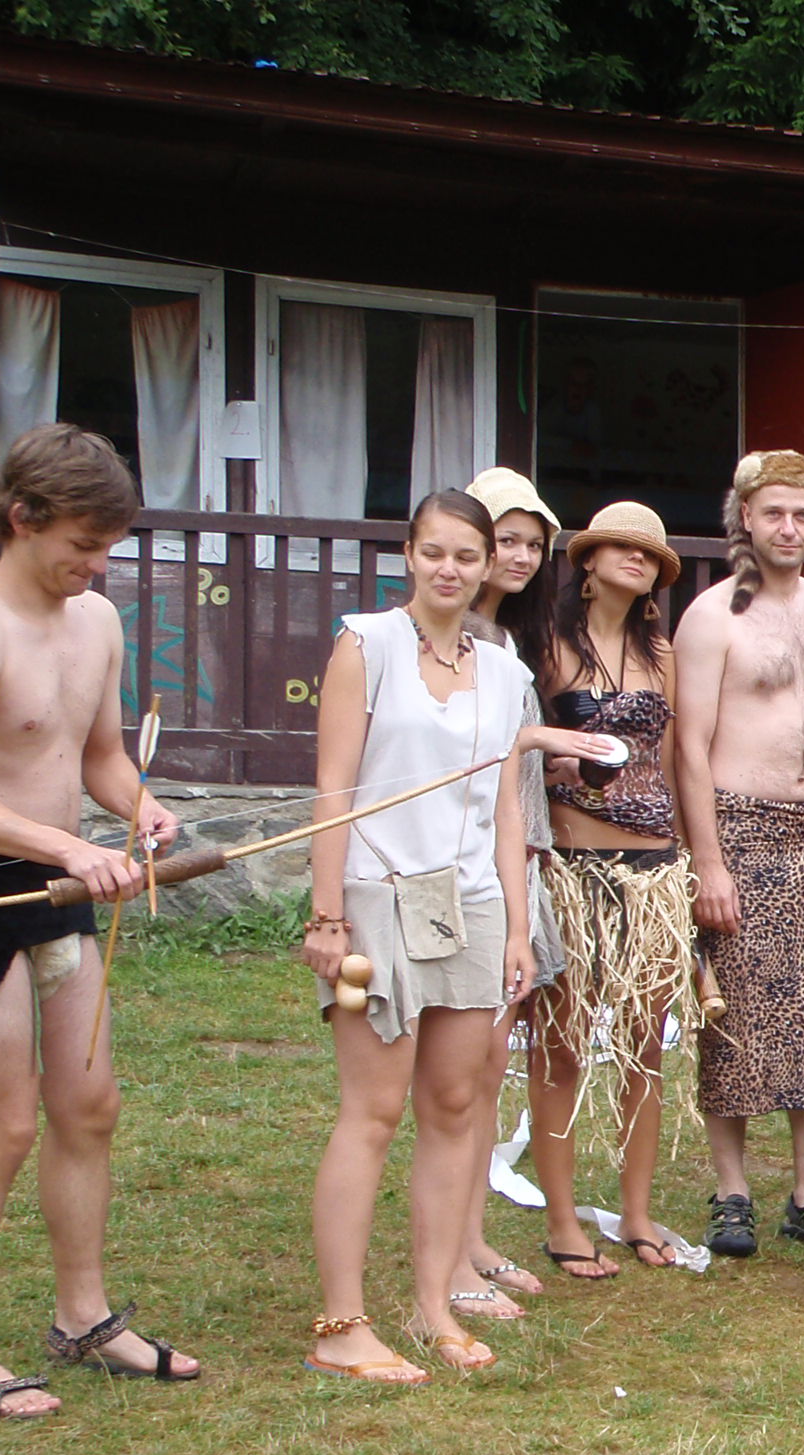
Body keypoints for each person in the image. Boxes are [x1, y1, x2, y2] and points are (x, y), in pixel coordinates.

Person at [0, 424, 197, 1417]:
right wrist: (69, 849)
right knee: (4, 1124)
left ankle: (84, 1318)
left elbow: (99, 755)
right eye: (82, 543)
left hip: (55, 888)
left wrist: (138, 807)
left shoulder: (98, 622)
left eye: (108, 545)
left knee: (89, 1105)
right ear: (23, 518)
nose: (97, 564)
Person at [303, 489, 606, 1382]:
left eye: (466, 556)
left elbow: (508, 814)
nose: (450, 569)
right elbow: (333, 790)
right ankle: (341, 1325)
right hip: (376, 902)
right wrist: (326, 916)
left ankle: (436, 1304)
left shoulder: (506, 674)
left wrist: (516, 926)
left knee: (454, 1105)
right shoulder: (365, 645)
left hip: (472, 907)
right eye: (434, 552)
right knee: (372, 1111)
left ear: (486, 567)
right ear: (408, 554)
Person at [675, 450, 804, 1262]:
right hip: (739, 829)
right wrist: (708, 862)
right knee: (734, 1017)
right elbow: (688, 746)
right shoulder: (711, 616)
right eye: (773, 514)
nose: (789, 528)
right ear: (746, 520)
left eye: (802, 514)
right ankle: (731, 1192)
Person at [525, 502, 698, 1277]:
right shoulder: (546, 644)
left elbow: (675, 760)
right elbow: (514, 751)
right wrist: (553, 768)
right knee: (561, 1043)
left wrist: (692, 861)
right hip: (572, 865)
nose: (636, 559)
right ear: (588, 561)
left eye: (648, 553)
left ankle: (635, 1211)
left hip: (654, 869)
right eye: (620, 548)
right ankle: (563, 1220)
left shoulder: (661, 653)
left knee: (643, 1045)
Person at [457, 466, 565, 1301]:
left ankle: (471, 1236)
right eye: (507, 540)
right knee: (468, 1067)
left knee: (491, 1063)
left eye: (533, 544)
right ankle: (457, 1248)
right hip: (467, 862)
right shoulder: (453, 638)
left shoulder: (506, 637)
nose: (521, 557)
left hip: (515, 853)